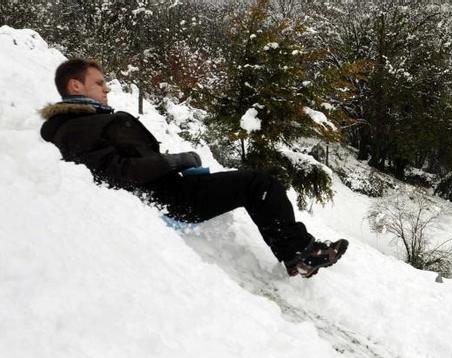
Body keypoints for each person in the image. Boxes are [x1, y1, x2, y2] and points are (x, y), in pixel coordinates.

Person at [39, 59, 346, 278]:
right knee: (259, 185)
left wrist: (174, 164)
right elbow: (117, 172)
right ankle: (299, 255)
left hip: (168, 186)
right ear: (75, 85)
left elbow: (131, 158)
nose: (107, 88)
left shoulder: (88, 121)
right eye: (99, 83)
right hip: (166, 198)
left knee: (258, 185)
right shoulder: (77, 128)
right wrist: (173, 162)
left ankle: (297, 256)